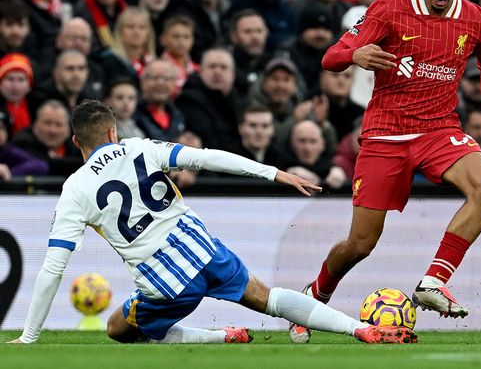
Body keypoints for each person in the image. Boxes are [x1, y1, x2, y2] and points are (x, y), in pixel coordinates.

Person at [6, 100, 417, 345]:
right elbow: (207, 157)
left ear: (75, 141)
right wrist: (274, 172)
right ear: (113, 132)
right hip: (202, 248)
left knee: (118, 328)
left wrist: (29, 337)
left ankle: (223, 336)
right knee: (268, 297)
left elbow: (53, 268)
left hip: (164, 282)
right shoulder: (139, 148)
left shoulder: (74, 189)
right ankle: (358, 328)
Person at [290, 0, 481, 344]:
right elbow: (330, 58)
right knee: (360, 244)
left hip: (439, 129)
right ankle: (313, 297)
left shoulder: (477, 20)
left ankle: (433, 281)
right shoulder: (390, 8)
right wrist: (355, 56)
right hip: (386, 134)